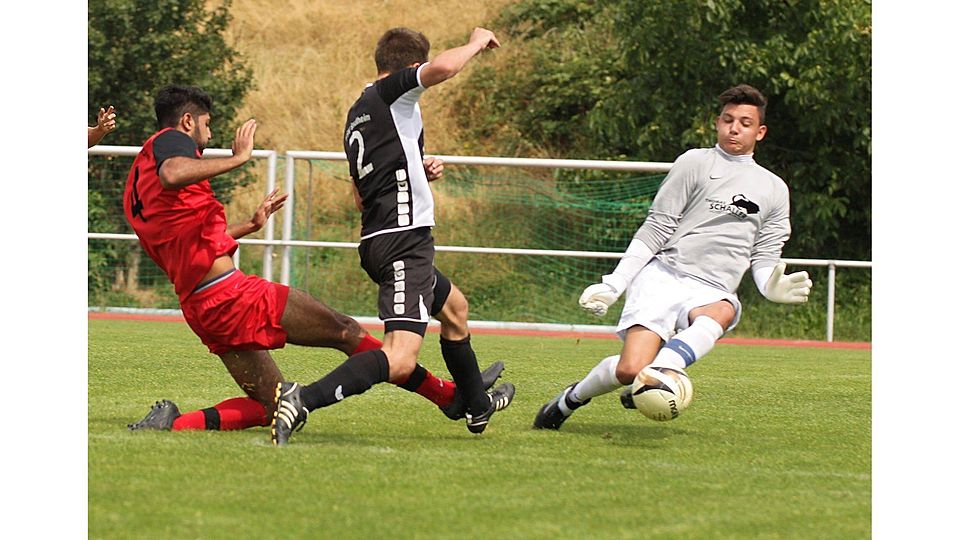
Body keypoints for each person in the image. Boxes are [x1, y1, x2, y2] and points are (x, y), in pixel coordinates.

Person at [124, 84, 502, 434]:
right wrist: (240, 158)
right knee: (346, 331)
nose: (210, 134)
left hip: (200, 306)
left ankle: (174, 424)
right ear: (187, 121)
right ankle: (449, 396)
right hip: (231, 295)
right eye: (206, 124)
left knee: (273, 406)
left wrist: (250, 225)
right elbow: (174, 172)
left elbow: (188, 241)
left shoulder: (139, 183)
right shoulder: (170, 144)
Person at [271, 27, 515, 445]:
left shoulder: (357, 114)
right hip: (403, 242)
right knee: (400, 357)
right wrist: (475, 42)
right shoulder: (390, 92)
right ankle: (303, 398)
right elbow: (442, 68)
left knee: (455, 309)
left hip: (382, 237)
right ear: (410, 67)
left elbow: (361, 194)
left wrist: (420, 169)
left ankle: (476, 406)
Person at [533, 84, 813, 430]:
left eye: (744, 122)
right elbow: (656, 227)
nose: (734, 128)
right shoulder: (695, 162)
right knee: (628, 370)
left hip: (713, 287)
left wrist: (770, 286)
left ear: (761, 131)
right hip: (665, 275)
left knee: (721, 311)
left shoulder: (773, 188)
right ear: (717, 123)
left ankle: (660, 372)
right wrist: (615, 282)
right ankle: (569, 400)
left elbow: (766, 253)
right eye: (728, 120)